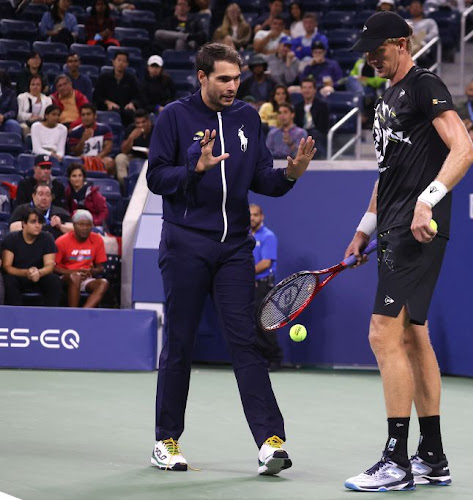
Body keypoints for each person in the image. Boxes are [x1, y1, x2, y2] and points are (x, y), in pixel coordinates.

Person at [145, 42, 316, 474]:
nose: (232, 86)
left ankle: (270, 442)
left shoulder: (247, 118)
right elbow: (156, 177)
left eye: (236, 78)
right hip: (185, 243)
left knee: (246, 342)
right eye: (223, 78)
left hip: (235, 247)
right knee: (180, 343)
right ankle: (165, 441)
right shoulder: (174, 118)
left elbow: (262, 178)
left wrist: (290, 175)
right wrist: (195, 170)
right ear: (201, 77)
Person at [343, 11, 473, 492]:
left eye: (378, 50)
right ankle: (432, 456)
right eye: (367, 52)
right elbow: (388, 174)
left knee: (383, 334)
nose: (371, 58)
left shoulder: (424, 84)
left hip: (416, 229)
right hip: (393, 226)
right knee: (413, 336)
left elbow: (463, 149)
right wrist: (364, 227)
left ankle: (396, 460)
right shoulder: (384, 98)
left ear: (402, 43)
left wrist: (428, 200)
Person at [2, 207, 63, 307]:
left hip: (39, 276)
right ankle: (16, 316)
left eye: (40, 222)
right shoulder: (11, 239)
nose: (37, 226)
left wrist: (39, 273)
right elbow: (7, 267)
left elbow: (50, 265)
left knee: (54, 280)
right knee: (9, 280)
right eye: (33, 222)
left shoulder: (47, 238)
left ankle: (50, 315)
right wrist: (26, 273)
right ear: (24, 224)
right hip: (18, 275)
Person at [249, 203, 282, 369]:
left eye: (255, 215)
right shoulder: (245, 235)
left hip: (263, 286)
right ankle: (259, 359)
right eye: (250, 215)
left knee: (265, 322)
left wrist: (246, 273)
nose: (252, 218)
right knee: (251, 324)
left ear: (261, 217)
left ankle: (274, 359)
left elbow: (266, 263)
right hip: (249, 285)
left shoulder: (268, 236)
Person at [54, 209, 109, 308]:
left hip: (86, 278)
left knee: (103, 283)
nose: (85, 228)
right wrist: (74, 272)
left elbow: (100, 267)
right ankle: (74, 312)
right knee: (75, 276)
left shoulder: (97, 239)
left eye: (88, 225)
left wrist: (91, 270)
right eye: (81, 224)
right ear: (74, 225)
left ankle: (83, 312)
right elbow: (54, 267)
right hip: (66, 278)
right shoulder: (61, 241)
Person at [93, 51, 140, 127]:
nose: (121, 63)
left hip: (125, 111)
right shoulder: (104, 78)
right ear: (113, 62)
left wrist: (132, 103)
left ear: (127, 64)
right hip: (107, 109)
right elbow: (96, 96)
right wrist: (107, 102)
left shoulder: (131, 79)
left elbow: (137, 96)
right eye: (119, 60)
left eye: (124, 61)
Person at [67, 104, 116, 175]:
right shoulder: (75, 132)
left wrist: (96, 159)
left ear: (95, 116)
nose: (85, 117)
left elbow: (107, 148)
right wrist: (83, 139)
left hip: (100, 158)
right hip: (83, 159)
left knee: (109, 162)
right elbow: (75, 153)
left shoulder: (105, 129)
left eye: (88, 114)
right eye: (83, 115)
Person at [63, 164, 109, 228]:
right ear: (69, 178)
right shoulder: (67, 193)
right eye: (74, 176)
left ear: (83, 177)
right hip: (75, 225)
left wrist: (95, 222)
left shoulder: (93, 192)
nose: (77, 179)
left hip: (93, 225)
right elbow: (67, 211)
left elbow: (104, 211)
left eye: (80, 176)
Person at [115, 109, 153, 187]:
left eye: (143, 122)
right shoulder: (131, 129)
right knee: (120, 158)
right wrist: (131, 138)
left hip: (151, 159)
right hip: (134, 156)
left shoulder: (156, 130)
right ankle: (125, 186)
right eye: (138, 123)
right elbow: (124, 150)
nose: (140, 125)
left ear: (149, 122)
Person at [294, 77, 329, 154]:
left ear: (314, 90)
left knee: (314, 135)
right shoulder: (297, 107)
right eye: (304, 88)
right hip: (300, 134)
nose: (307, 90)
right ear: (301, 90)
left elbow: (323, 127)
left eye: (310, 88)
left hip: (316, 134)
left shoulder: (322, 106)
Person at [17, 75, 53, 139]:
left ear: (42, 86)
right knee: (25, 127)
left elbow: (49, 115)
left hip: (42, 123)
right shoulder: (22, 97)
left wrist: (39, 118)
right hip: (26, 123)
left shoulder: (47, 99)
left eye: (38, 85)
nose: (35, 87)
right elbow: (19, 115)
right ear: (29, 86)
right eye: (33, 84)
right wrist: (31, 116)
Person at [0, 70, 22, 138]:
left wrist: (3, 117)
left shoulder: (10, 93)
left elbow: (13, 111)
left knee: (14, 125)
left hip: (4, 120)